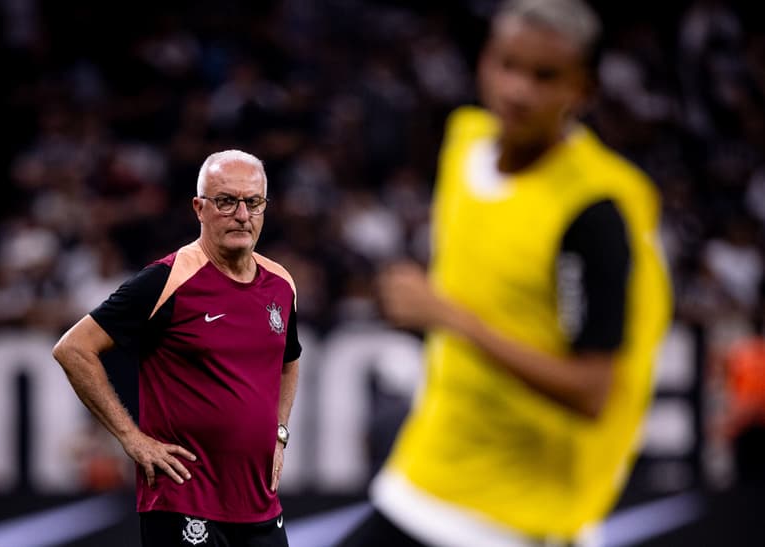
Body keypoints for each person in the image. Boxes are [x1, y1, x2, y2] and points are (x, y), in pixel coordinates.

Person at [338, 0, 672, 545]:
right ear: (483, 64)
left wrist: (448, 317)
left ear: (582, 89)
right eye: (507, 65)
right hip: (429, 470)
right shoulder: (465, 139)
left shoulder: (594, 210)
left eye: (546, 76)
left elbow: (592, 389)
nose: (519, 89)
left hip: (517, 516)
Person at [53, 149, 301, 547]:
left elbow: (289, 361)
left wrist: (280, 432)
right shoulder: (166, 281)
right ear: (199, 208)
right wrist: (131, 438)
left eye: (253, 202)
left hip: (259, 504)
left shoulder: (280, 284)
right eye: (226, 201)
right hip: (184, 502)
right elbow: (73, 349)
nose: (242, 215)